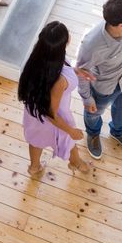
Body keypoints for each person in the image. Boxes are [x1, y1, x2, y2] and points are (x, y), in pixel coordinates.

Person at [18, 20, 91, 178]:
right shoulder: (60, 81)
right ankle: (76, 162)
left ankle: (34, 167)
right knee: (69, 141)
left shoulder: (36, 59)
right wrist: (71, 131)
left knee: (36, 140)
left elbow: (58, 68)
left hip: (34, 112)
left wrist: (76, 71)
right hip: (56, 116)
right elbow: (52, 114)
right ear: (66, 42)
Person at [76, 0, 122, 159]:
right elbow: (81, 72)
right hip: (104, 88)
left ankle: (118, 132)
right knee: (93, 114)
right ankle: (92, 134)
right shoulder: (92, 44)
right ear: (121, 25)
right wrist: (87, 98)